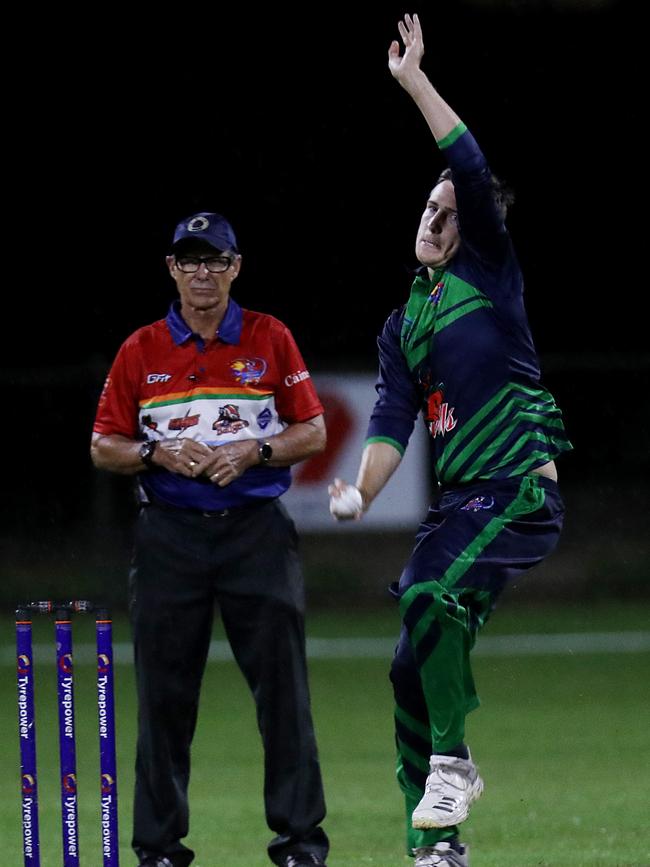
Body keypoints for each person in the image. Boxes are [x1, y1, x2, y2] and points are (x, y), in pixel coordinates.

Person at [329, 14, 572, 867]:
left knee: (427, 592)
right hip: (461, 507)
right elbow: (392, 418)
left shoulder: (488, 277)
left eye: (449, 209)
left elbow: (466, 163)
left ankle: (454, 764)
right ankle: (436, 845)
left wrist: (414, 83)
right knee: (409, 662)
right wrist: (362, 487)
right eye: (427, 206)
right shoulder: (406, 322)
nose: (435, 217)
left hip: (518, 492)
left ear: (472, 224)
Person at [91, 211, 329, 867]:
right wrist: (156, 452)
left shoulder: (268, 336)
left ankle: (301, 845)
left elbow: (312, 431)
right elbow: (102, 446)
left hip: (255, 534)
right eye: (190, 260)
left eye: (215, 260)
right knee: (165, 699)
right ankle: (160, 849)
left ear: (236, 267)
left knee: (284, 696)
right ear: (171, 268)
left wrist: (257, 449)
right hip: (169, 536)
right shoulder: (141, 348)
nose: (203, 273)